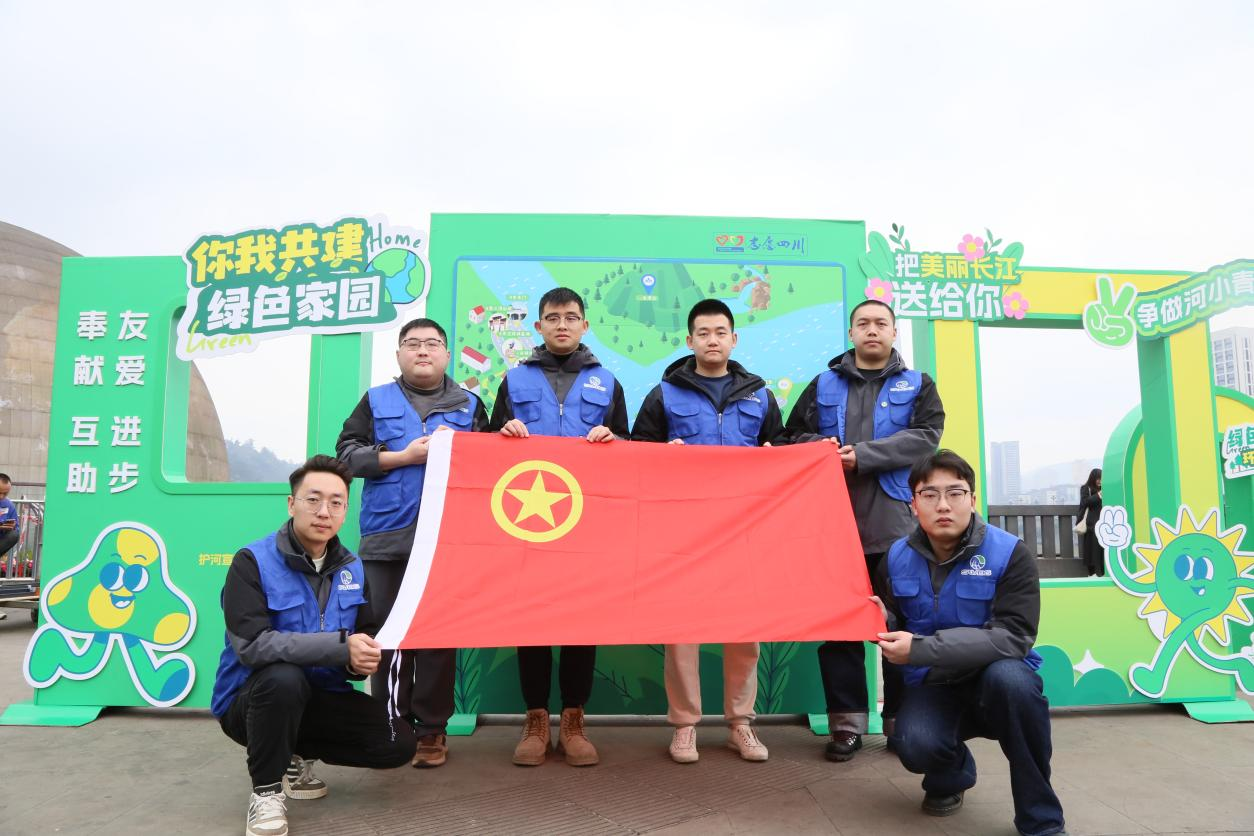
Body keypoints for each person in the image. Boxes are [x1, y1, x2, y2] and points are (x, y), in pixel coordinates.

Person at [211, 455, 416, 836]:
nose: (324, 512)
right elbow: (253, 646)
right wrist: (340, 648)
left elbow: (363, 632)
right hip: (249, 701)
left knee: (398, 742)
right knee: (283, 679)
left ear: (345, 510)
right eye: (313, 500)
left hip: (319, 697)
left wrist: (358, 661)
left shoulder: (353, 568)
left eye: (336, 503)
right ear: (292, 504)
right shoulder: (251, 562)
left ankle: (291, 750)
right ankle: (266, 792)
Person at [873, 449, 1066, 836]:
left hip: (996, 681)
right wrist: (881, 620)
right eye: (930, 494)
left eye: (955, 493)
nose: (943, 505)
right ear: (913, 505)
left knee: (1014, 683)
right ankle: (952, 774)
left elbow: (1014, 636)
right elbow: (896, 621)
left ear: (972, 500)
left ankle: (1041, 819)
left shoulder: (1010, 553)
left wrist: (921, 649)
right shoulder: (894, 557)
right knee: (912, 743)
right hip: (934, 684)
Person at [784, 298, 944, 761]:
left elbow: (927, 437)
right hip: (832, 527)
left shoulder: (918, 384)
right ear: (851, 333)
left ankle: (902, 724)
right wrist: (823, 446)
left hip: (896, 529)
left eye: (880, 323)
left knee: (900, 626)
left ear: (893, 332)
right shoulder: (823, 384)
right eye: (863, 323)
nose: (872, 330)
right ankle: (846, 727)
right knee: (840, 629)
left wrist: (865, 455)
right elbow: (793, 435)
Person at [631, 298, 785, 764]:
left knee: (745, 630)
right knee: (683, 630)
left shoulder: (761, 396)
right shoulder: (664, 394)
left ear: (734, 339)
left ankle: (741, 724)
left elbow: (781, 449)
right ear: (689, 340)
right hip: (685, 534)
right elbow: (637, 453)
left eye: (720, 332)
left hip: (745, 530)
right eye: (703, 333)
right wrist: (665, 455)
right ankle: (684, 726)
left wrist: (775, 455)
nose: (712, 340)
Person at [336, 317, 489, 768]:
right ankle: (390, 726)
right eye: (413, 343)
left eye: (432, 344)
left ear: (447, 354)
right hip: (386, 540)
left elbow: (491, 466)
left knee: (438, 637)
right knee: (385, 635)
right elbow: (346, 456)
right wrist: (404, 456)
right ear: (399, 353)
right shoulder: (375, 400)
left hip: (448, 540)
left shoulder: (470, 405)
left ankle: (432, 731)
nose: (423, 351)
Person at [490, 287, 629, 767]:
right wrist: (504, 433)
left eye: (571, 317)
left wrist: (614, 438)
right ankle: (535, 719)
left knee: (579, 623)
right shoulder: (514, 380)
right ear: (539, 326)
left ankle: (573, 720)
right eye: (553, 317)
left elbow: (630, 449)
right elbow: (487, 449)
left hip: (588, 527)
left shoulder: (607, 382)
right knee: (530, 621)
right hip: (528, 526)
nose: (562, 324)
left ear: (584, 325)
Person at [1079, 468, 1103, 576]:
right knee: (1092, 549)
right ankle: (1092, 572)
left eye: (1101, 478)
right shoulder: (1086, 488)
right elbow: (1084, 502)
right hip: (1091, 524)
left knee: (1101, 549)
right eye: (1098, 478)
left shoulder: (1105, 488)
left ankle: (1102, 572)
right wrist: (1098, 495)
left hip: (1103, 522)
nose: (1100, 481)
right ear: (1093, 478)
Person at [0, 473, 20, 578]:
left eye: (5, 493)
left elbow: (16, 527)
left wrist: (11, 526)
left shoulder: (8, 505)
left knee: (14, 534)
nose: (2, 496)